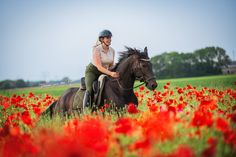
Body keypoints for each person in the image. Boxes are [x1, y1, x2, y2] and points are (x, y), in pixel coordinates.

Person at [83, 29, 119, 108]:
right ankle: (86, 108)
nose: (109, 39)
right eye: (107, 38)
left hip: (105, 71)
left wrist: (118, 67)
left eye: (110, 38)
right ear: (102, 39)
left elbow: (110, 66)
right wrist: (111, 73)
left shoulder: (112, 50)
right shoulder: (97, 49)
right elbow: (99, 67)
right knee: (89, 89)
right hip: (93, 71)